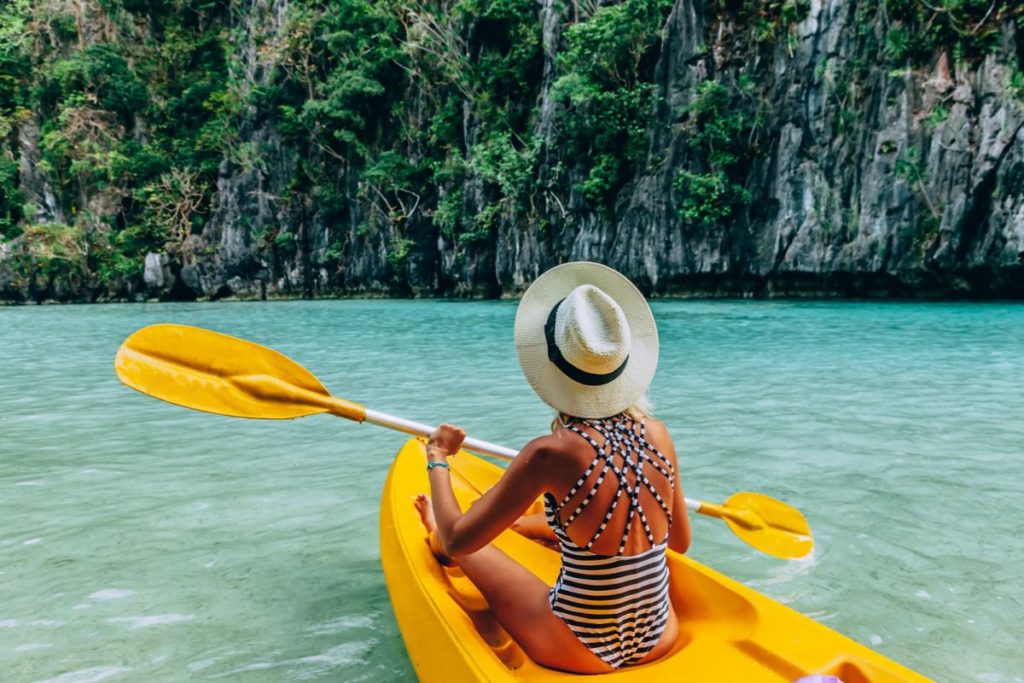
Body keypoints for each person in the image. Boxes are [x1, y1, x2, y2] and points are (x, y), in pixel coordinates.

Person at [413, 261, 691, 673]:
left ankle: (435, 527)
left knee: (467, 548)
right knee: (565, 529)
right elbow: (678, 541)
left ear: (552, 365)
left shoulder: (550, 453)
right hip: (661, 634)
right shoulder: (659, 434)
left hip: (584, 648)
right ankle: (530, 527)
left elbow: (460, 542)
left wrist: (437, 456)